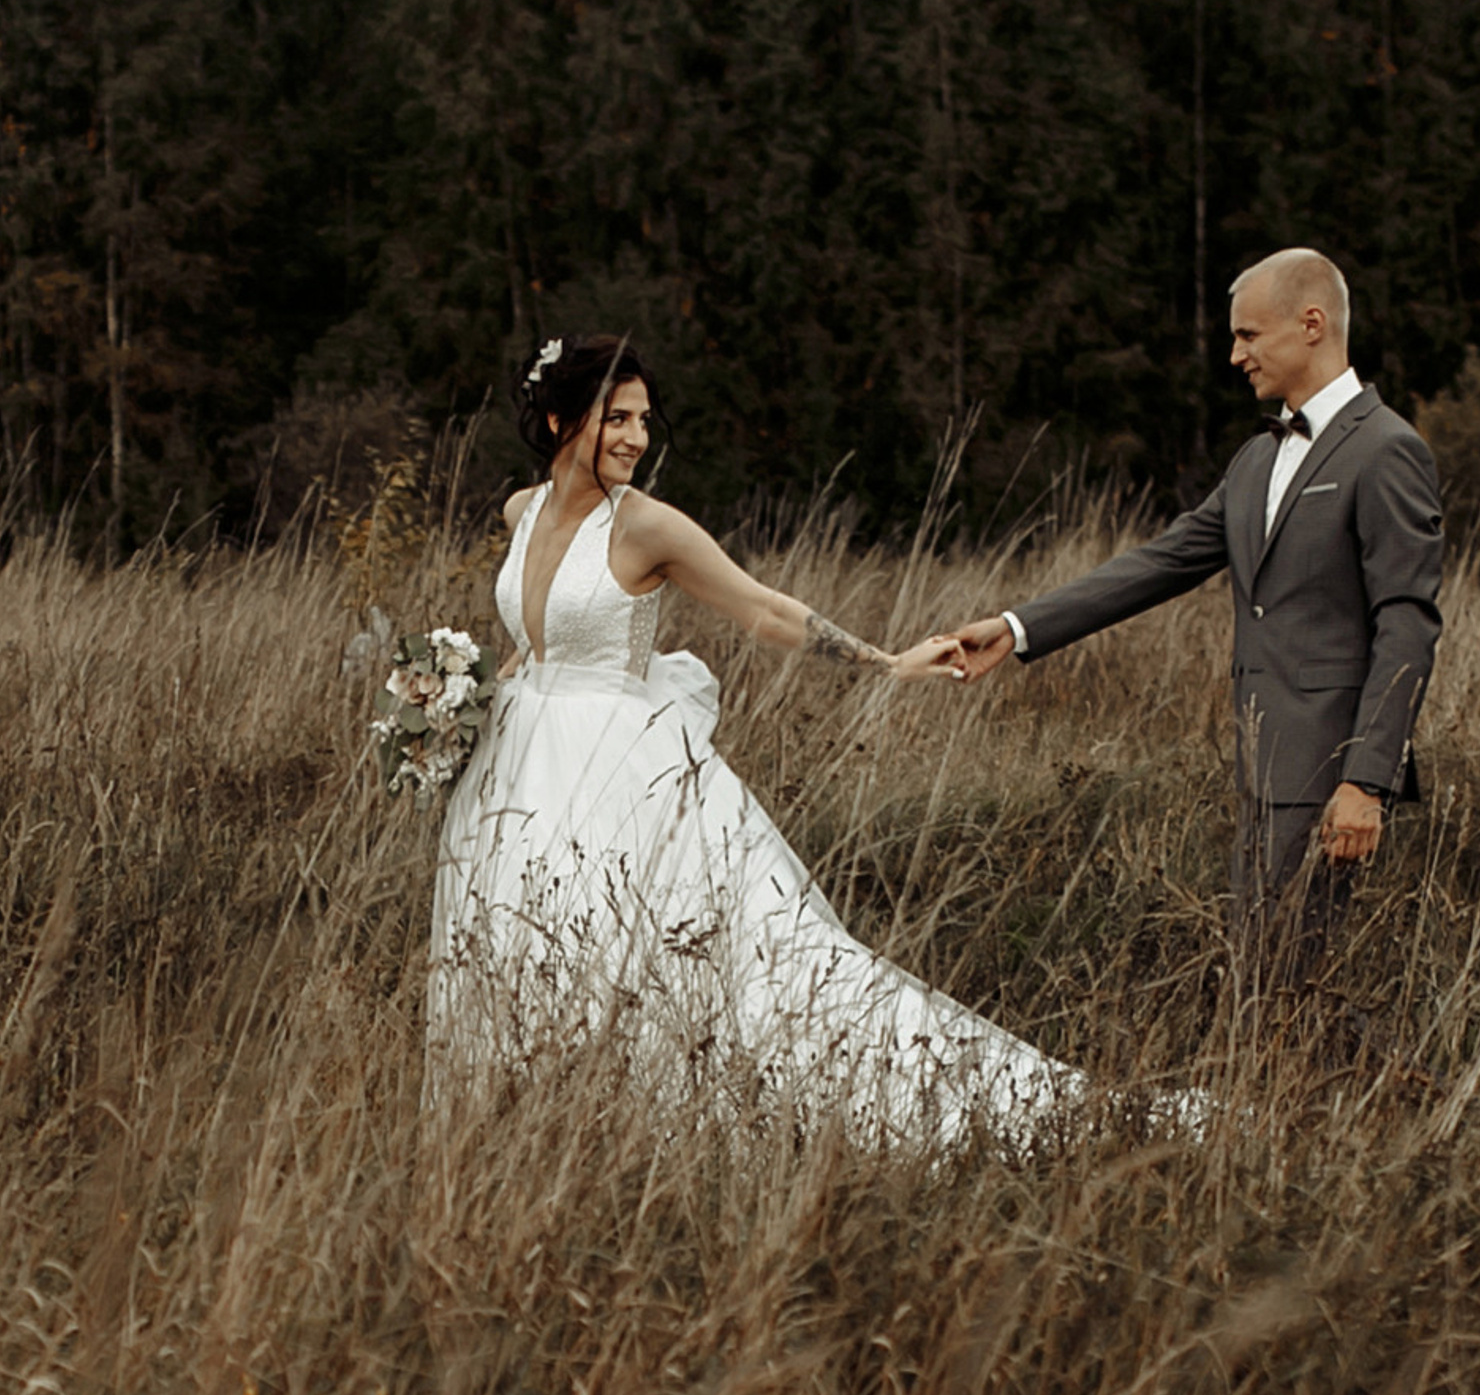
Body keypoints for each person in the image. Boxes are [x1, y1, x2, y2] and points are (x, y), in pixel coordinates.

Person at [429, 332, 1154, 1144]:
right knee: (520, 942)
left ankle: (677, 1124)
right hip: (520, 759)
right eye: (616, 418)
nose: (636, 438)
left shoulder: (647, 529)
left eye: (643, 419)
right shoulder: (521, 512)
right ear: (560, 419)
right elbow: (537, 642)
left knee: (660, 951)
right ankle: (538, 1129)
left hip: (618, 767)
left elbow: (763, 608)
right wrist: (454, 702)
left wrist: (885, 663)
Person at [920, 251, 1442, 1024]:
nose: (1235, 355)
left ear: (1312, 324)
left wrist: (1367, 782)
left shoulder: (1387, 449)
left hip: (1333, 779)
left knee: (1300, 993)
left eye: (1248, 335)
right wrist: (1018, 628)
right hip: (1259, 770)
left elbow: (1407, 622)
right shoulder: (1256, 458)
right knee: (1266, 988)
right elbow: (1160, 563)